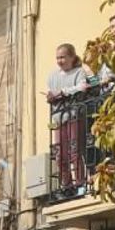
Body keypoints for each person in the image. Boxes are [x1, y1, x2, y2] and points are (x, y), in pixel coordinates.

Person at [46, 43, 95, 192]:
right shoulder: (52, 75)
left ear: (72, 57)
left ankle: (80, 182)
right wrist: (51, 96)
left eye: (63, 57)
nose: (60, 61)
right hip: (58, 119)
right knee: (61, 153)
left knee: (75, 150)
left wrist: (62, 92)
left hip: (74, 115)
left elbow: (82, 87)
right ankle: (66, 185)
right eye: (57, 58)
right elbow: (50, 91)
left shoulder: (79, 72)